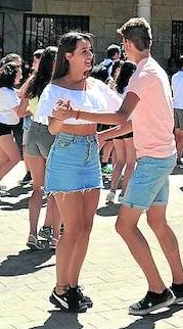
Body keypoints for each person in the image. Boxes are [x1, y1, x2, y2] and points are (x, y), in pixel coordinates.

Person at [54, 19, 183, 315]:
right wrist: (103, 135)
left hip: (152, 160)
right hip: (163, 155)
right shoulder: (155, 71)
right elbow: (135, 120)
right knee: (157, 222)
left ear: (129, 45)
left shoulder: (142, 76)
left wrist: (77, 113)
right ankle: (181, 285)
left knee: (124, 225)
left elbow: (120, 115)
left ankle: (158, 291)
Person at [38, 32, 122, 312]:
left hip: (90, 154)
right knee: (71, 228)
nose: (89, 55)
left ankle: (72, 285)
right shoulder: (55, 89)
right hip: (66, 154)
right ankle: (60, 288)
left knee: (86, 227)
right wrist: (61, 117)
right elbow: (51, 129)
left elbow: (123, 109)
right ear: (68, 56)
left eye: (90, 50)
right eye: (84, 50)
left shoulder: (96, 86)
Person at [23, 46, 61, 250]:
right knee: (55, 189)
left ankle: (32, 234)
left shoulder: (35, 81)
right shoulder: (56, 83)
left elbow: (22, 104)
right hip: (49, 132)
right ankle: (55, 237)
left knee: (37, 189)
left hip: (33, 132)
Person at [0, 61, 28, 200]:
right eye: (19, 74)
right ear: (12, 75)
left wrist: (32, 80)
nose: (20, 77)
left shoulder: (7, 89)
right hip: (2, 127)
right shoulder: (6, 92)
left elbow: (21, 92)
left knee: (3, 157)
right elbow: (20, 112)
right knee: (14, 158)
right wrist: (34, 109)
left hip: (2, 126)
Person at [105, 61, 138, 204]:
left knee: (119, 161)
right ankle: (124, 193)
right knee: (131, 163)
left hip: (117, 126)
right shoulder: (133, 89)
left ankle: (112, 190)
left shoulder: (113, 87)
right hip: (130, 126)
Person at [20, 50, 44, 186]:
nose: (33, 63)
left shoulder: (40, 79)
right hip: (29, 119)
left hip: (37, 119)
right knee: (27, 147)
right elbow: (23, 93)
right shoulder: (33, 77)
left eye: (36, 60)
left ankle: (38, 177)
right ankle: (30, 172)